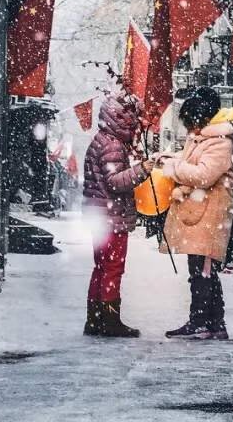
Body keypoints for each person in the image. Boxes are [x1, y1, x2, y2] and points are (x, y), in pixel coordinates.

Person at [160, 87, 233, 340]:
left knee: (202, 270)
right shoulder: (204, 139)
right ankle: (214, 323)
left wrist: (173, 167)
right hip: (201, 214)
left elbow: (203, 175)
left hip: (210, 216)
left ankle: (201, 320)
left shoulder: (219, 142)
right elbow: (192, 163)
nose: (188, 129)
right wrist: (169, 158)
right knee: (202, 269)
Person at [82, 92, 152, 337]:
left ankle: (95, 319)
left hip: (100, 217)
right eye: (133, 119)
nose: (135, 124)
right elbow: (114, 182)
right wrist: (142, 170)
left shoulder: (101, 140)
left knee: (100, 267)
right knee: (112, 267)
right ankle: (110, 321)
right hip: (110, 218)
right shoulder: (112, 145)